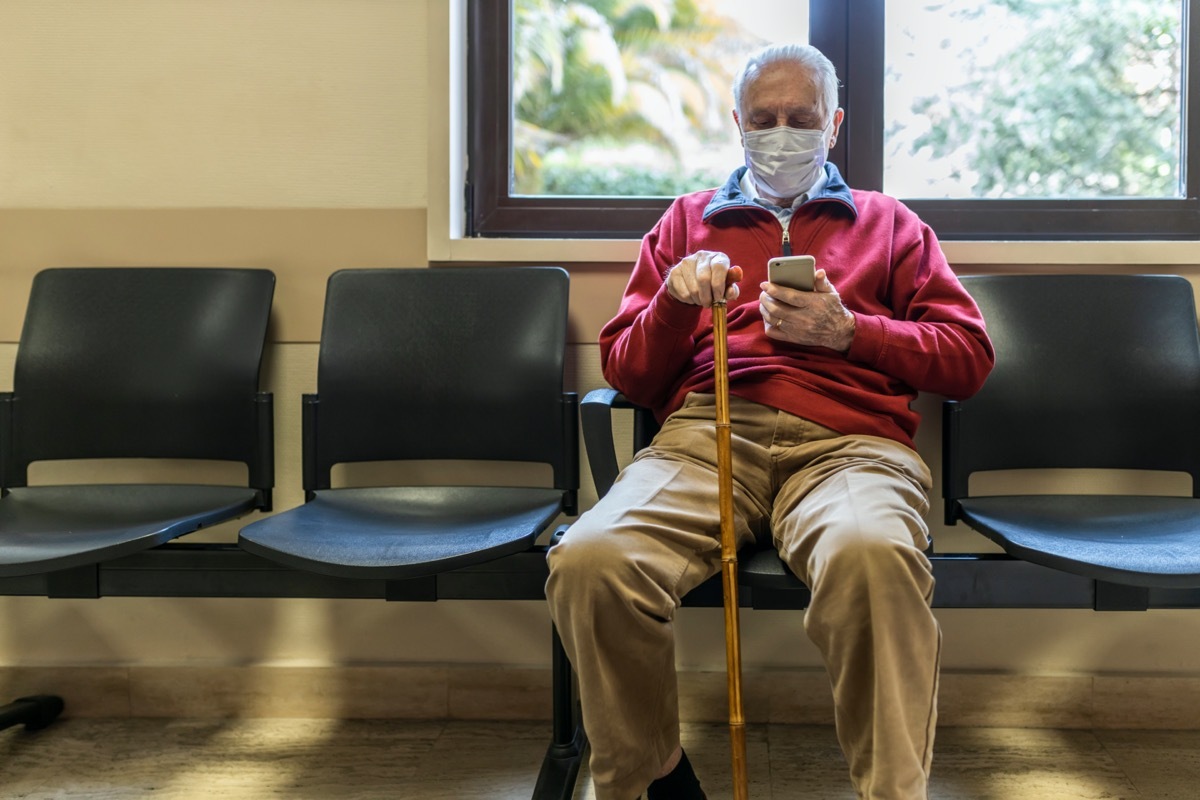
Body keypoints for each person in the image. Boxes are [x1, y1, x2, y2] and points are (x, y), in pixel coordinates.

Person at [546, 42, 995, 800]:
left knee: (873, 561)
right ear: (736, 124)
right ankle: (653, 777)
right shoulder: (687, 221)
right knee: (590, 559)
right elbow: (625, 370)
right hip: (705, 438)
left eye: (801, 118)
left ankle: (892, 792)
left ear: (835, 125)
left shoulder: (891, 225)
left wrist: (852, 331)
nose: (780, 132)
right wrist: (674, 304)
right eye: (763, 118)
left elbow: (969, 358)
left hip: (850, 449)